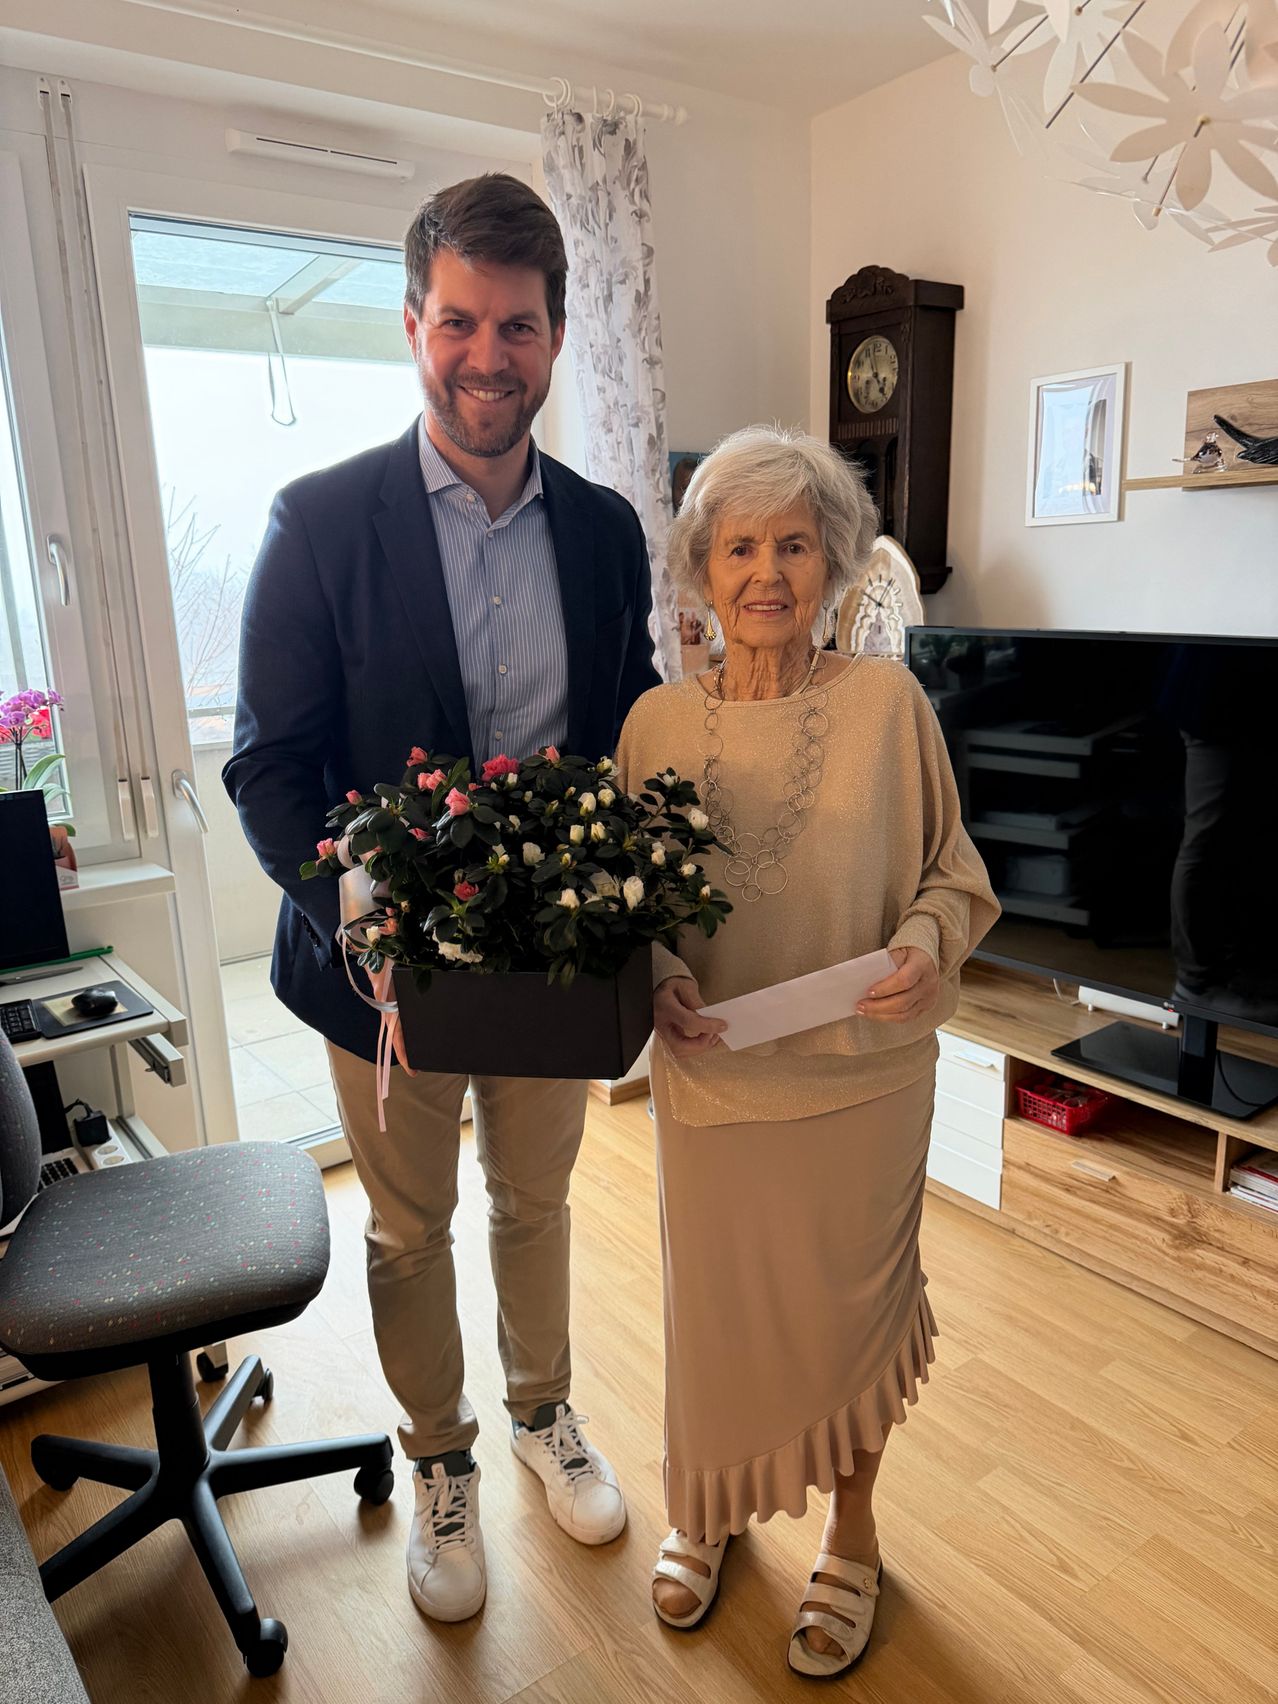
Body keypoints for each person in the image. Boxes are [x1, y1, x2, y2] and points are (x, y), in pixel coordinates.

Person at [224, 173, 660, 1625]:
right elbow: (268, 768)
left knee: (532, 1204)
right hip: (382, 977)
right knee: (408, 1229)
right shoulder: (318, 522)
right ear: (413, 322)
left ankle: (543, 1415)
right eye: (460, 321)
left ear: (553, 337)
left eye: (519, 326)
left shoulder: (601, 532)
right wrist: (352, 907)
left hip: (547, 964)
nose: (489, 356)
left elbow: (627, 720)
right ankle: (440, 1459)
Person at [614, 426, 998, 1678]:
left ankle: (853, 1532)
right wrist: (661, 973)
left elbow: (956, 876)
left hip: (864, 1083)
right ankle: (711, 1503)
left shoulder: (892, 706)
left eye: (793, 543)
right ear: (702, 569)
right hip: (715, 1082)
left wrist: (930, 946)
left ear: (832, 561)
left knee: (848, 1317)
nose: (766, 571)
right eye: (740, 546)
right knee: (716, 1312)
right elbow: (622, 903)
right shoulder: (655, 726)